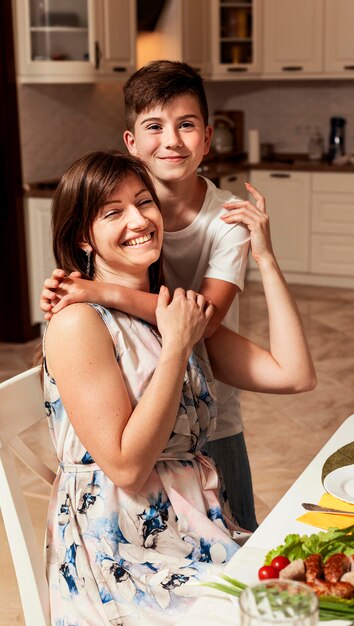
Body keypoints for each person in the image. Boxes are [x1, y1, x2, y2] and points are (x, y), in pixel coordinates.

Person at [43, 150, 315, 624]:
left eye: (144, 202)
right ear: (83, 237)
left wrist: (265, 257)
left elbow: (294, 374)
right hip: (122, 558)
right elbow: (126, 467)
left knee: (323, 589)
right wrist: (176, 348)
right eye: (113, 212)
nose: (139, 219)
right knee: (282, 614)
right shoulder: (78, 324)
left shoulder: (172, 313)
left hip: (194, 531)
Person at [42, 62, 268, 531]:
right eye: (154, 127)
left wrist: (96, 289)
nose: (171, 140)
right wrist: (74, 293)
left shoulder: (223, 220)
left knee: (239, 530)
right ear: (132, 141)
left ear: (207, 137)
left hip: (208, 408)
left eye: (186, 125)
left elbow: (199, 323)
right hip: (139, 414)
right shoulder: (127, 216)